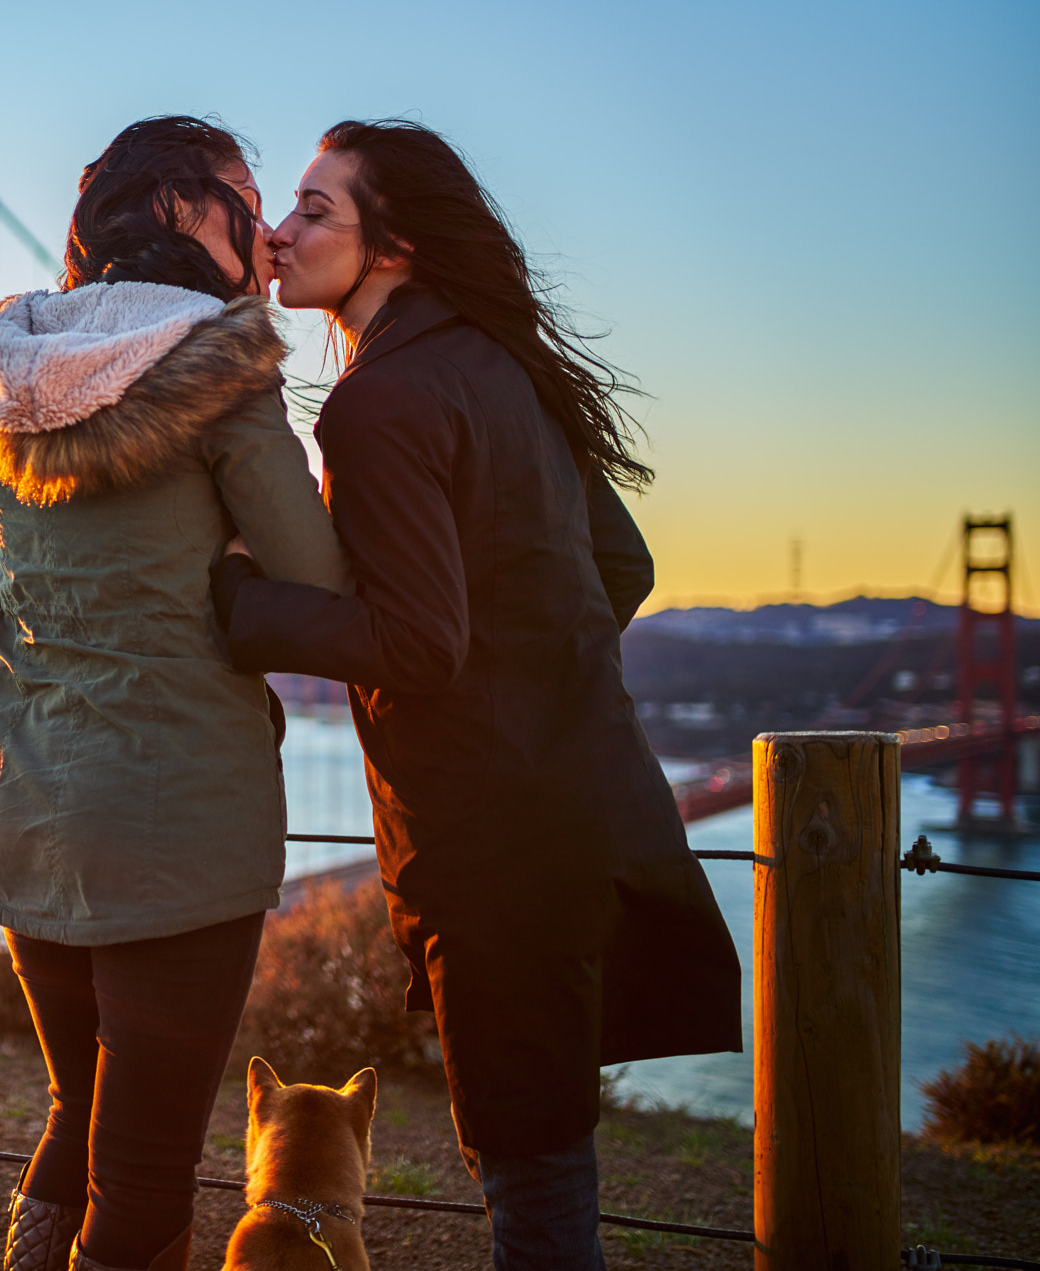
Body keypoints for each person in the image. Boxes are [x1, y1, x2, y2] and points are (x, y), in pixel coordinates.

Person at [214, 120, 743, 1269]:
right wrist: (531, 691)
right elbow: (621, 568)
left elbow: (414, 641)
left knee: (529, 1174)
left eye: (313, 210)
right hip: (585, 809)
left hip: (490, 849)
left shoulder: (375, 402)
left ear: (392, 244)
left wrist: (236, 601)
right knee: (549, 1151)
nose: (275, 232)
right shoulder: (503, 367)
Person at [0, 116, 348, 1271]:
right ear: (178, 208)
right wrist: (214, 583)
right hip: (183, 838)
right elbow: (311, 584)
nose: (270, 236)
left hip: (28, 819)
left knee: (82, 1113)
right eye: (244, 197)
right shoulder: (226, 360)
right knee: (145, 1173)